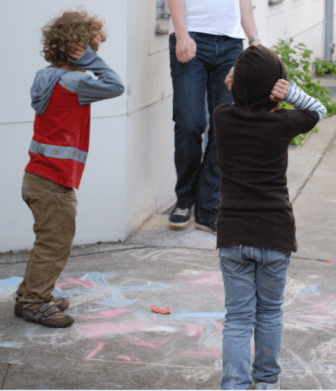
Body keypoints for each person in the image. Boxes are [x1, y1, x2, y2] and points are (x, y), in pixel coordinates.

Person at [213, 45, 326, 390]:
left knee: (237, 317)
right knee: (270, 312)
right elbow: (318, 111)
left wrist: (235, 86)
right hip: (274, 235)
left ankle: (234, 384)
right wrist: (291, 93)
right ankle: (266, 384)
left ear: (236, 86)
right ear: (276, 88)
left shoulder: (222, 117)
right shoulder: (282, 123)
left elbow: (231, 99)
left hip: (232, 236)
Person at [15, 8, 124, 328]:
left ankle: (31, 294)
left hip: (36, 176)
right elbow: (115, 85)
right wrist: (91, 60)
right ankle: (35, 301)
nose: (95, 52)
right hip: (53, 182)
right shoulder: (76, 82)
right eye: (91, 47)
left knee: (47, 241)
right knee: (55, 243)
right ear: (80, 48)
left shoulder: (45, 77)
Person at [167, 0, 261, 234]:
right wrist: (181, 34)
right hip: (192, 37)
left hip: (231, 44)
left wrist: (254, 39)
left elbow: (243, 4)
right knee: (189, 123)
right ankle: (184, 199)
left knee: (225, 126)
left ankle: (208, 208)